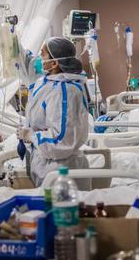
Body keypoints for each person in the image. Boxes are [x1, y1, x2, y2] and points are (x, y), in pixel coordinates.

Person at [17, 37, 91, 189]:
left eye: (43, 54)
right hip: (47, 165)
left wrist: (31, 136)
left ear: (55, 63)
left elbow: (61, 140)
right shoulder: (46, 82)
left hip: (61, 171)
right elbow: (24, 63)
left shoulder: (64, 91)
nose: (38, 58)